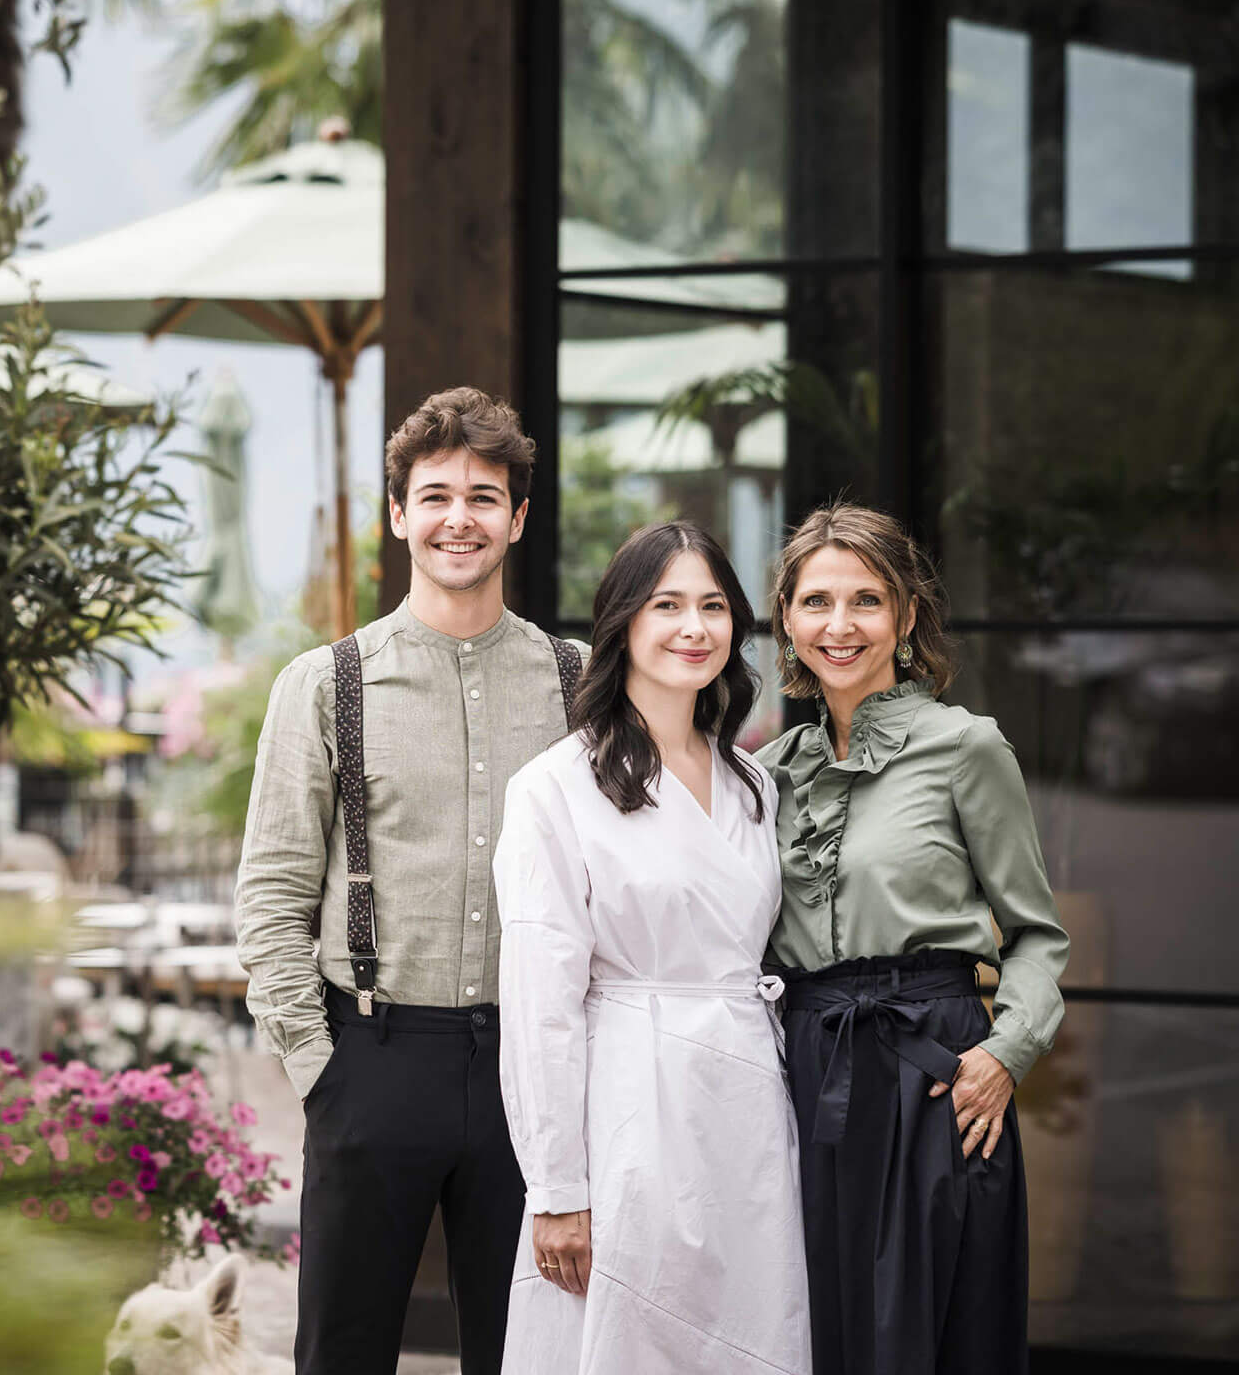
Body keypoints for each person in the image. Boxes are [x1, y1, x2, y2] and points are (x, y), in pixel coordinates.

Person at [234, 386, 586, 1375]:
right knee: (342, 1351)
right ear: (397, 514)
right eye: (434, 495)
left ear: (518, 516)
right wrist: (322, 1070)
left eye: (483, 495)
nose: (458, 517)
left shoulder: (579, 681)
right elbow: (269, 898)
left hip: (529, 1067)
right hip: (374, 1056)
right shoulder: (323, 682)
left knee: (530, 1352)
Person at [758, 502, 1070, 1375]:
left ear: (904, 614)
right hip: (809, 1073)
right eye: (817, 602)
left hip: (938, 1076)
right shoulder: (768, 772)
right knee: (816, 1325)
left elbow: (1038, 935)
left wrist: (1006, 1053)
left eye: (866, 599)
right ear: (787, 619)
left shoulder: (967, 747)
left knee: (930, 1334)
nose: (840, 624)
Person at [493, 520, 811, 1375]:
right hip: (629, 1108)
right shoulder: (556, 788)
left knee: (748, 1334)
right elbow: (538, 1007)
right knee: (627, 1339)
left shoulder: (753, 784)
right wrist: (557, 1190)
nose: (693, 628)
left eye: (713, 606)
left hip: (743, 1104)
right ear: (622, 623)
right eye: (667, 604)